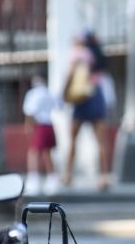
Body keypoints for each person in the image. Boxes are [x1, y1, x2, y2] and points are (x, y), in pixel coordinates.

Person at [63, 32, 111, 190]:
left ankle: (68, 175)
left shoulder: (78, 53)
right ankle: (104, 177)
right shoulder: (96, 55)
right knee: (101, 141)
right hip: (96, 95)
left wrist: (64, 92)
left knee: (73, 139)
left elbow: (71, 74)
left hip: (82, 98)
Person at [23, 73, 60, 195]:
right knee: (47, 153)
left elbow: (30, 111)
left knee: (33, 153)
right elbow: (59, 106)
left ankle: (34, 181)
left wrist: (28, 126)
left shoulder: (33, 94)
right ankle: (52, 180)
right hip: (49, 125)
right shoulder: (49, 93)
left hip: (39, 126)